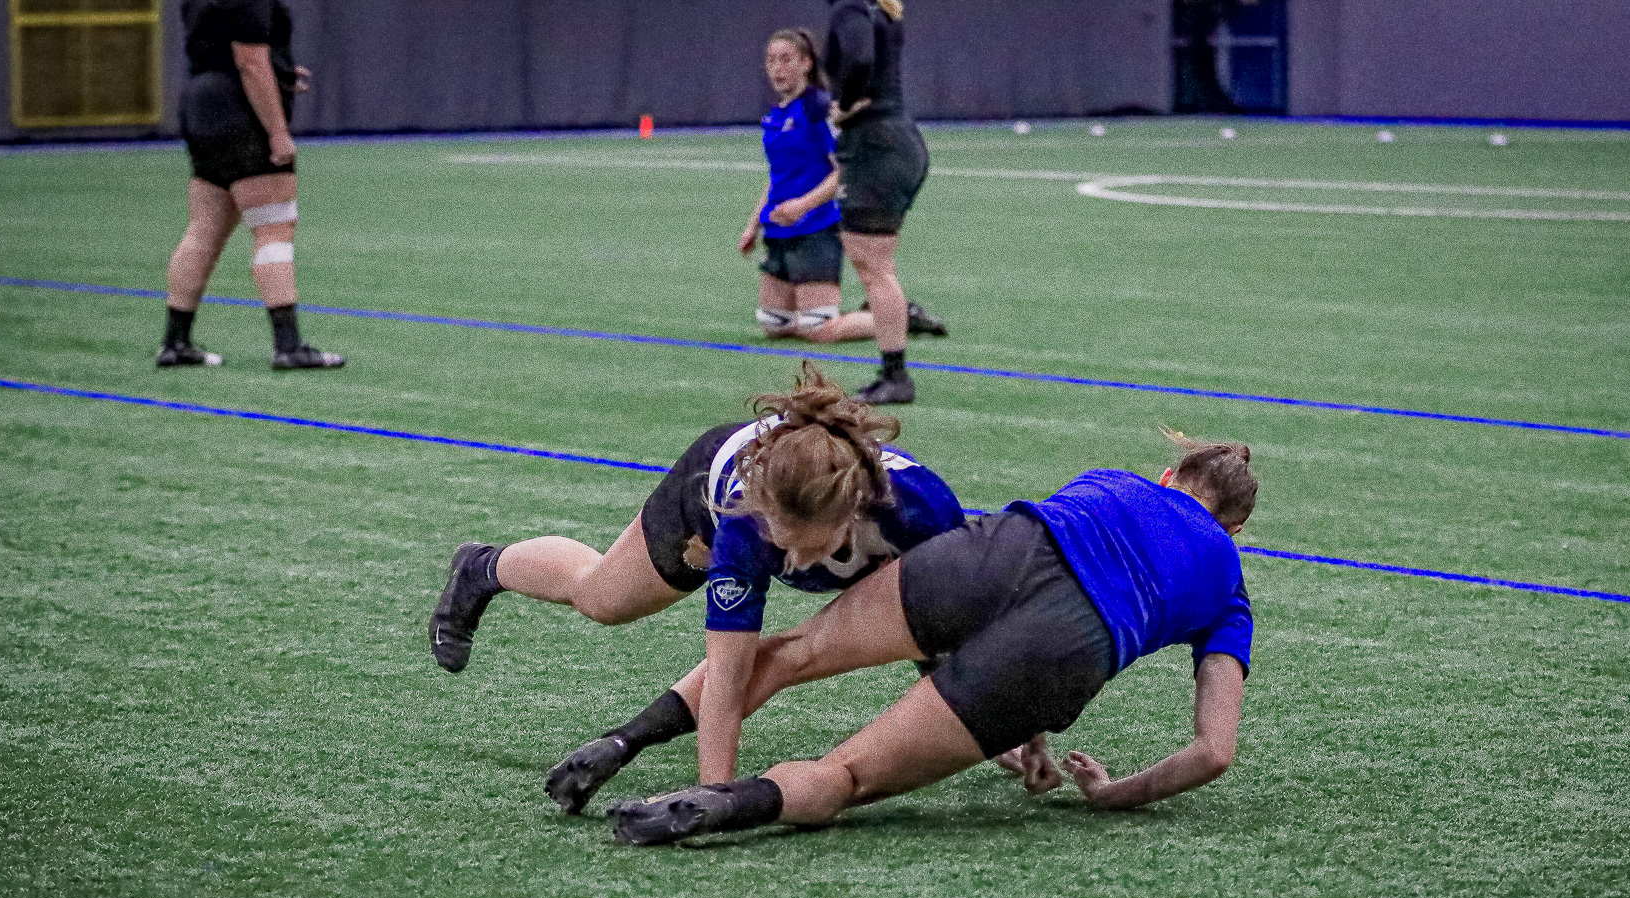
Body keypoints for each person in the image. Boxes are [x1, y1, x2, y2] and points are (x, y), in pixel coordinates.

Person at [609, 434, 1259, 845]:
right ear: (1232, 532)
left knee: (792, 651)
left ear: (1170, 478)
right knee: (843, 776)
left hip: (996, 552)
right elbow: (1213, 752)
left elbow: (1029, 588)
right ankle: (730, 802)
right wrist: (1111, 793)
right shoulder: (1228, 585)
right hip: (1073, 645)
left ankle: (626, 740)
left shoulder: (1113, 480)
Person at [428, 363, 965, 805]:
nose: (795, 562)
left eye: (811, 548)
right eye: (784, 542)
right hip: (707, 484)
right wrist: (715, 797)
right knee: (602, 599)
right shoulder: (744, 525)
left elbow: (949, 615)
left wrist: (1007, 731)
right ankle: (482, 566)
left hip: (853, 523)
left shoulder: (926, 513)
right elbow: (728, 680)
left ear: (853, 514)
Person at [159, 0, 343, 370]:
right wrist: (278, 133)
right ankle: (288, 345)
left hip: (201, 104)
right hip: (239, 111)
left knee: (204, 229)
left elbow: (224, 50)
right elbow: (249, 61)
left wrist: (280, 71)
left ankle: (175, 341)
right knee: (274, 226)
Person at [739, 28, 945, 346]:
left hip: (816, 229)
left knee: (820, 330)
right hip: (779, 230)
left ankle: (898, 314)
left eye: (785, 59)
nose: (777, 68)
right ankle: (871, 313)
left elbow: (845, 171)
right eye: (771, 60)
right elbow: (778, 176)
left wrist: (803, 206)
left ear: (806, 63)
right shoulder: (776, 115)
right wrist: (753, 224)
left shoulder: (819, 109)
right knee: (774, 324)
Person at [823, 0, 931, 404]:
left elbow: (859, 57)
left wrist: (846, 101)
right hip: (893, 142)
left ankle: (896, 374)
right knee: (876, 265)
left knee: (874, 267)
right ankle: (894, 361)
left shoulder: (850, 8)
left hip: (877, 146)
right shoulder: (881, 8)